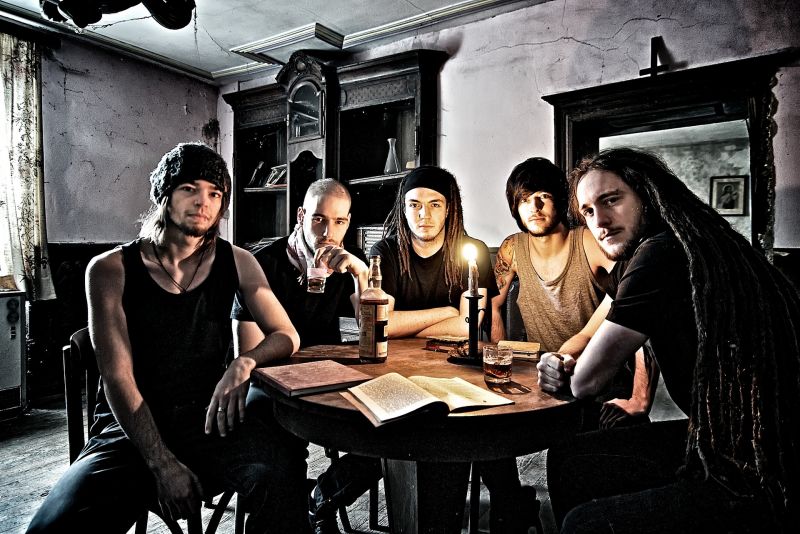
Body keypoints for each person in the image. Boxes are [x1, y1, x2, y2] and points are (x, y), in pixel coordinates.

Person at [26, 142, 311, 534]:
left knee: (282, 475)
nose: (203, 202)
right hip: (130, 429)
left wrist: (243, 362)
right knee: (50, 527)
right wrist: (161, 462)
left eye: (215, 193)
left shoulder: (238, 261)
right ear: (163, 194)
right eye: (189, 188)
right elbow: (118, 378)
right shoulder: (110, 269)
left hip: (208, 419)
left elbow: (286, 335)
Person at [538, 147, 800, 533]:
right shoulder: (656, 251)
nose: (600, 222)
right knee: (570, 458)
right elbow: (606, 329)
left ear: (647, 195)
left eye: (611, 200)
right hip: (714, 437)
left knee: (584, 524)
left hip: (758, 466)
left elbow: (586, 382)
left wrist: (566, 373)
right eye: (588, 211)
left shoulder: (661, 252)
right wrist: (561, 358)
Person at [372, 166, 537, 533]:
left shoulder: (471, 251)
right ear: (402, 207)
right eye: (414, 204)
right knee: (393, 429)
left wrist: (412, 322)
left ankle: (506, 504)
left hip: (457, 369)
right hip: (397, 373)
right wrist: (448, 313)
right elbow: (383, 325)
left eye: (435, 204)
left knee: (480, 422)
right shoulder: (386, 251)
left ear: (450, 209)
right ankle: (504, 503)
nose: (424, 214)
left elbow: (471, 326)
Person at [232, 178, 378, 534]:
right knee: (282, 454)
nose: (328, 232)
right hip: (268, 385)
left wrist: (360, 275)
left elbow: (372, 334)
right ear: (300, 216)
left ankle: (321, 498)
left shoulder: (345, 266)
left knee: (390, 433)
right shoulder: (262, 264)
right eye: (318, 219)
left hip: (327, 381)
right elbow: (248, 356)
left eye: (339, 222)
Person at [492, 157, 655, 427]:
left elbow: (641, 310)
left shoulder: (592, 241)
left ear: (561, 199)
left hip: (604, 386)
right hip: (548, 380)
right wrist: (499, 362)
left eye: (544, 196)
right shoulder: (512, 249)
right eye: (525, 199)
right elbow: (492, 306)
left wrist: (639, 397)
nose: (534, 207)